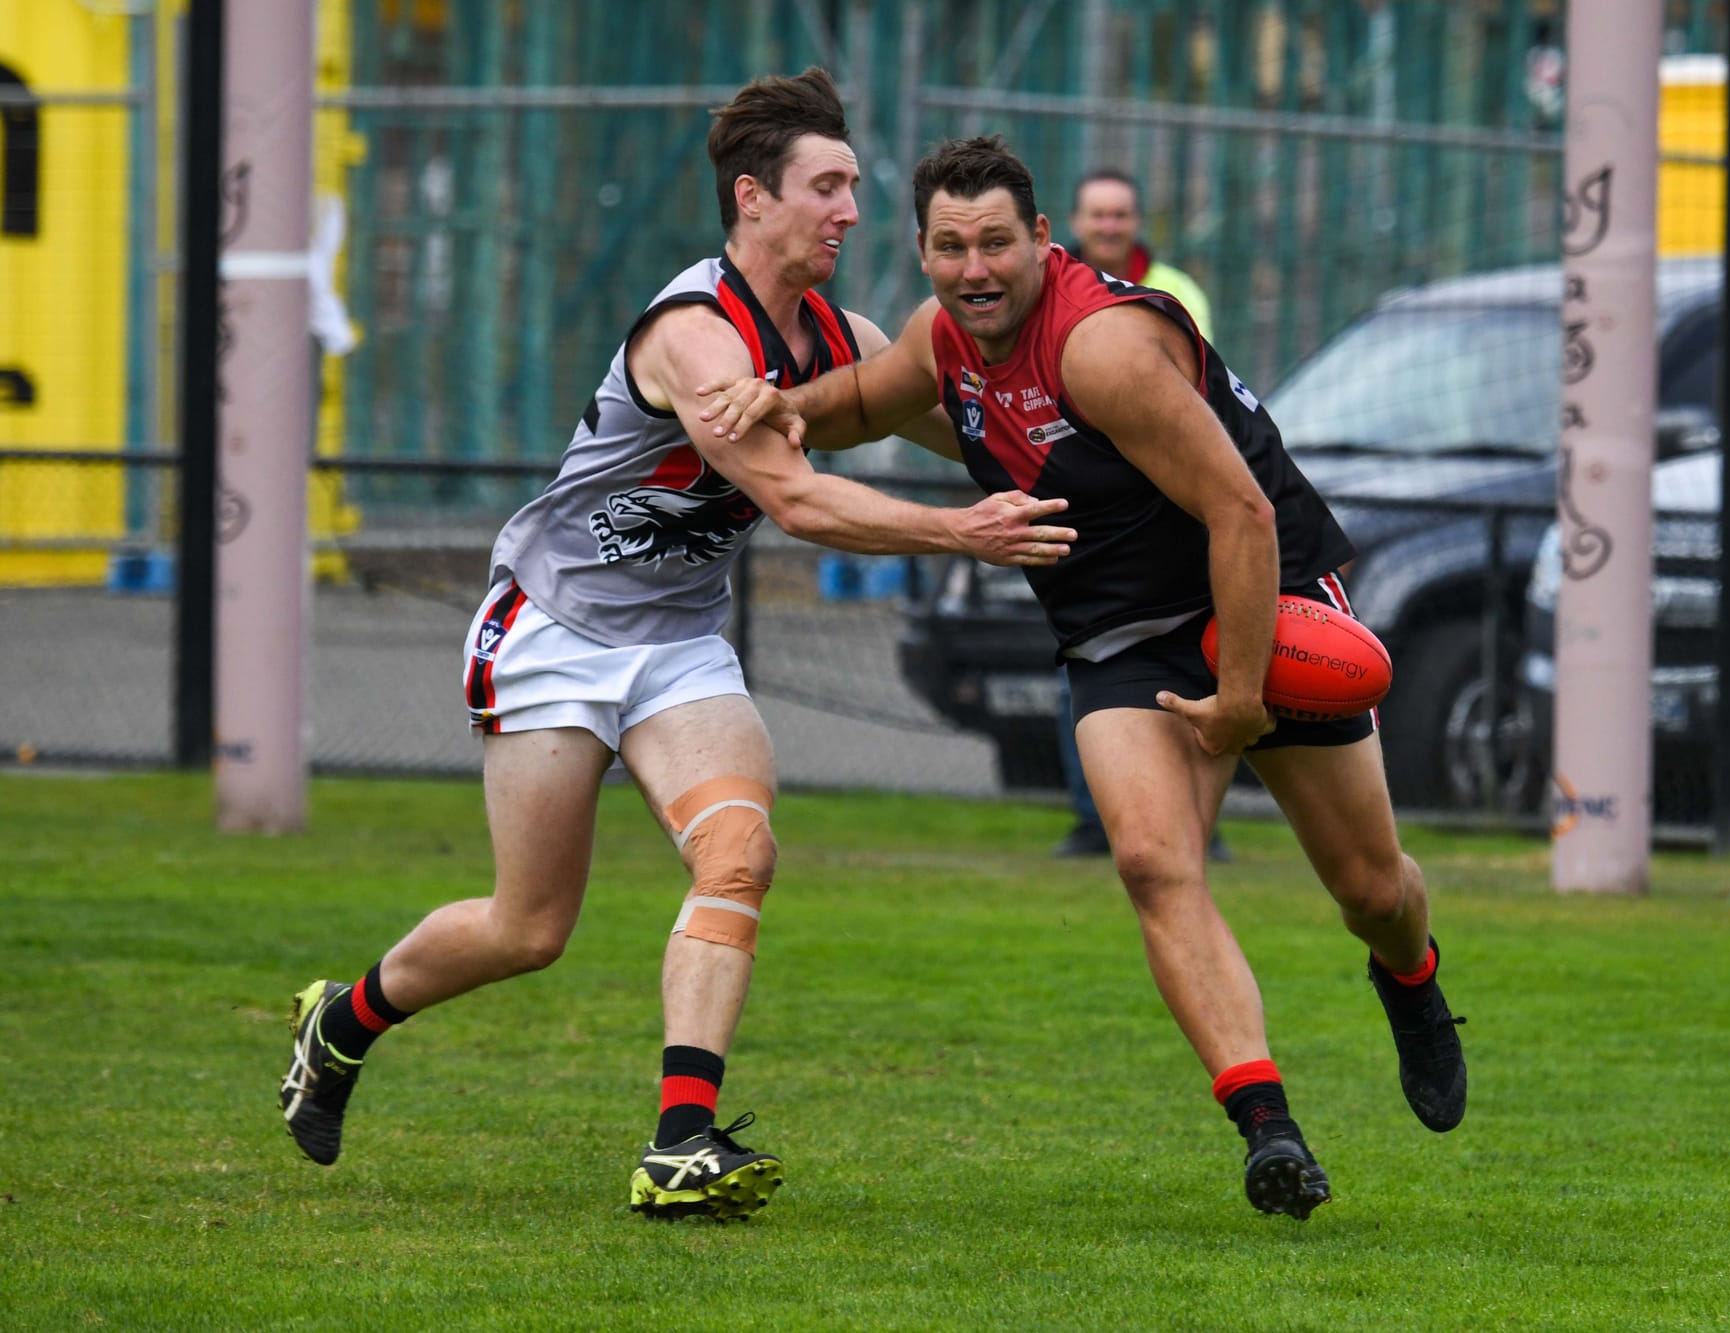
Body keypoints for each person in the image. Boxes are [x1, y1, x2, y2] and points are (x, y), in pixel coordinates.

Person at [276, 76, 1076, 1223]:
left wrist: (1091, 448)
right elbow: (796, 502)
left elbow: (968, 432)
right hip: (553, 630)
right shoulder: (692, 334)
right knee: (528, 928)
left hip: (676, 645)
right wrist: (966, 535)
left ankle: (680, 1140)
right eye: (829, 186)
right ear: (752, 199)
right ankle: (342, 1021)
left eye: (853, 186)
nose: (852, 209)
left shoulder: (837, 341)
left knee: (739, 853)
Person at [698, 136, 1466, 1222]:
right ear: (921, 252)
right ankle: (1268, 1128)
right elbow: (865, 400)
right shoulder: (943, 338)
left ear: (1041, 240)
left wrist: (1242, 698)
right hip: (1117, 631)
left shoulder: (1100, 348)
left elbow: (1239, 513)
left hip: (1253, 594)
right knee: (1154, 863)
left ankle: (1412, 978)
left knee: (1368, 887)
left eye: (997, 244)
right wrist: (781, 408)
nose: (976, 269)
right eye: (951, 247)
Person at [1054, 169, 1221, 859]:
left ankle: (1197, 824)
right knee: (1086, 658)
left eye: (1121, 214)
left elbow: (1194, 388)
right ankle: (1094, 818)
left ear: (1137, 219)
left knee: (1193, 662)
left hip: (1165, 504)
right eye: (1099, 214)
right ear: (1075, 219)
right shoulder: (1040, 291)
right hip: (1080, 505)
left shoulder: (1177, 291)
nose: (1110, 226)